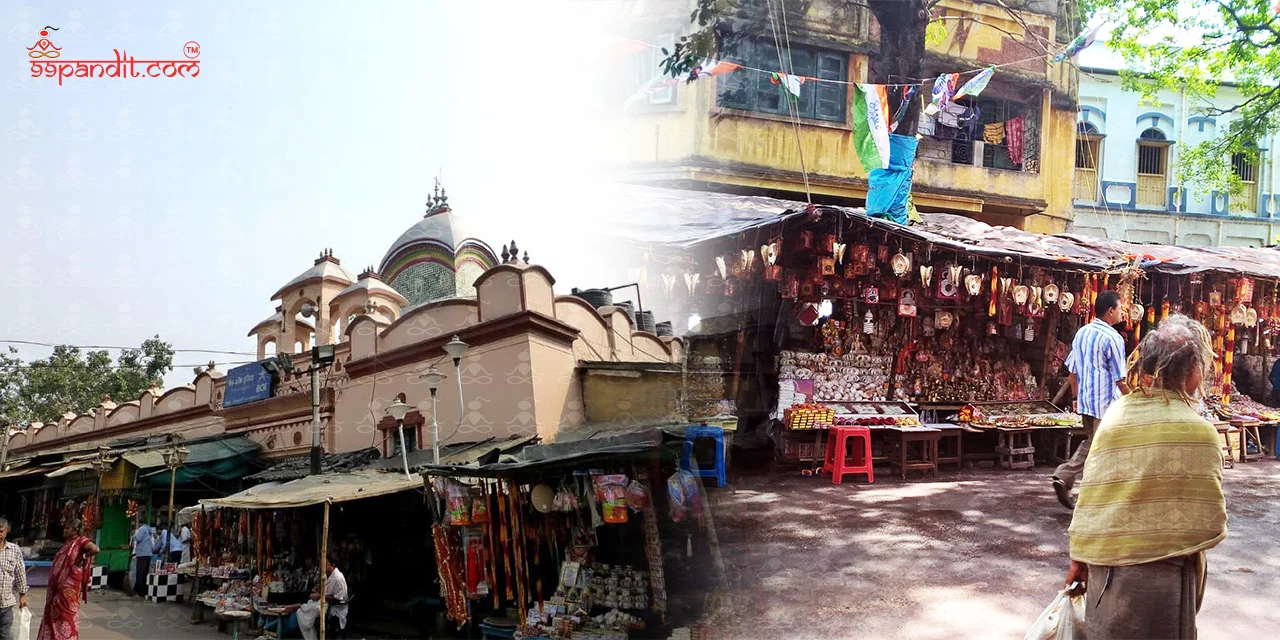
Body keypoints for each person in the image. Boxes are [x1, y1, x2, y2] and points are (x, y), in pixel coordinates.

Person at [1063, 315, 1227, 638]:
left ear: (1148, 365)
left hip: (1106, 577)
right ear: (1194, 371)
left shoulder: (1116, 416)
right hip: (1167, 585)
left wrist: (1079, 559)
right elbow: (1211, 521)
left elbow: (1091, 497)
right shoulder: (1201, 432)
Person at [1052, 290, 1130, 510]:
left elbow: (1072, 374)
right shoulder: (1113, 338)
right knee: (1103, 449)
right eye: (1120, 308)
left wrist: (1077, 399)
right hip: (1105, 405)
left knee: (1093, 443)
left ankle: (1064, 476)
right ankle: (1094, 496)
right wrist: (1133, 400)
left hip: (1086, 403)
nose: (1122, 312)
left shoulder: (1082, 333)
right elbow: (1120, 379)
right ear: (1111, 311)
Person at [35, 520, 99, 640]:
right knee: (53, 615)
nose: (64, 530)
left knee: (66, 617)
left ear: (75, 530)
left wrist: (82, 557)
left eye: (67, 528)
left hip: (69, 589)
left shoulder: (81, 541)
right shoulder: (67, 545)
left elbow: (95, 549)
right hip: (58, 587)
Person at [296, 555, 349, 640]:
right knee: (301, 612)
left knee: (308, 611)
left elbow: (339, 598)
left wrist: (320, 596)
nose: (323, 566)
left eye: (325, 563)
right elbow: (327, 588)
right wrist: (319, 588)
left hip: (335, 608)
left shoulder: (338, 578)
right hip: (325, 603)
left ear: (332, 564)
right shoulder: (328, 575)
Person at [0, 518, 30, 640]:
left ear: (7, 531)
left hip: (6, 604)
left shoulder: (14, 550)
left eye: (1, 531)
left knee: (4, 635)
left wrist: (22, 595)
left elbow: (20, 573)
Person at [130, 520, 154, 597]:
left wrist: (134, 535)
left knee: (140, 573)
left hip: (142, 553)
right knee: (144, 573)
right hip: (148, 553)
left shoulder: (142, 528)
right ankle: (140, 589)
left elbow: (138, 538)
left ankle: (140, 591)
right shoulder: (149, 529)